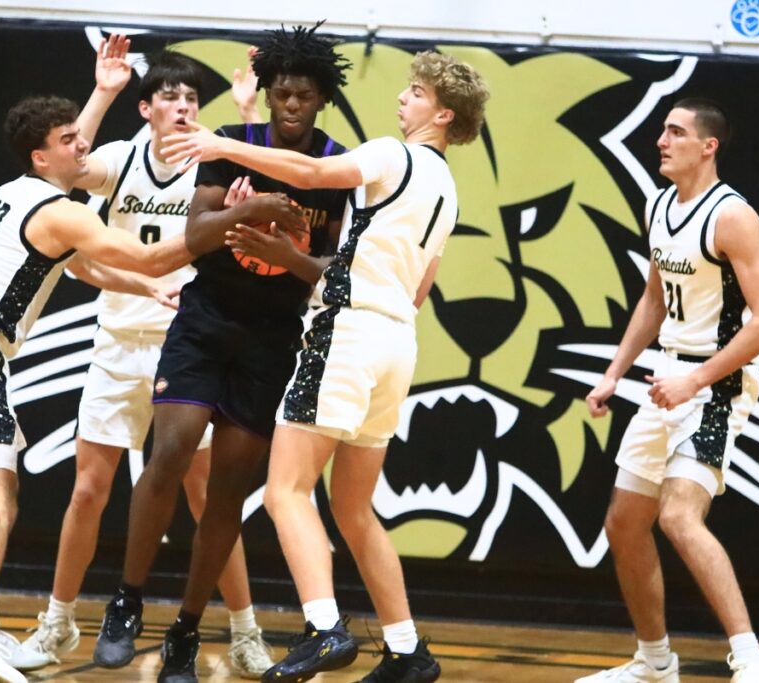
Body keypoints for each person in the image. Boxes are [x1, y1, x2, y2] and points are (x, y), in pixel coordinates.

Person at [163, 49, 489, 683]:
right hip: (397, 342)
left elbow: (311, 173)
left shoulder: (395, 156)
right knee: (354, 508)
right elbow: (421, 289)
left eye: (415, 92)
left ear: (443, 112)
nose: (403, 98)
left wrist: (219, 143)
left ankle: (324, 627)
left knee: (286, 490)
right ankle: (406, 650)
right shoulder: (447, 190)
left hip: (348, 332)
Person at [91, 23, 353, 683]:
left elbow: (329, 267)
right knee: (172, 447)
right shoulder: (231, 144)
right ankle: (125, 597)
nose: (292, 105)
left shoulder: (334, 168)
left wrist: (287, 252)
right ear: (266, 95)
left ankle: (184, 628)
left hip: (271, 336)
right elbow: (198, 234)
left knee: (228, 494)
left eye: (304, 96)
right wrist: (258, 206)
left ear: (320, 99)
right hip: (205, 319)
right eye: (282, 94)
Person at [0, 93, 194, 683]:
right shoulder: (59, 209)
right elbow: (149, 254)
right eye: (68, 140)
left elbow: (83, 267)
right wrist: (229, 223)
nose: (82, 144)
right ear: (41, 156)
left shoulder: (14, 194)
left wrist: (143, 290)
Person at [17, 36, 275, 678]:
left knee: (206, 498)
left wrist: (246, 115)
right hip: (118, 344)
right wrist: (102, 91)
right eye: (170, 97)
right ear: (147, 109)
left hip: (188, 349)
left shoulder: (215, 156)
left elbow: (266, 177)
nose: (184, 107)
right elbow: (67, 168)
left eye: (192, 98)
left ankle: (245, 630)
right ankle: (58, 622)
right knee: (88, 489)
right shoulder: (120, 156)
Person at [576, 99, 759, 683]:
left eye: (675, 132)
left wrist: (695, 379)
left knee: (679, 516)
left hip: (715, 383)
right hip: (667, 378)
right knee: (623, 523)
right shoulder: (660, 203)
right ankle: (654, 662)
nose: (661, 141)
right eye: (662, 131)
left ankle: (752, 660)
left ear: (708, 145)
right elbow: (652, 296)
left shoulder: (732, 216)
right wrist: (614, 372)